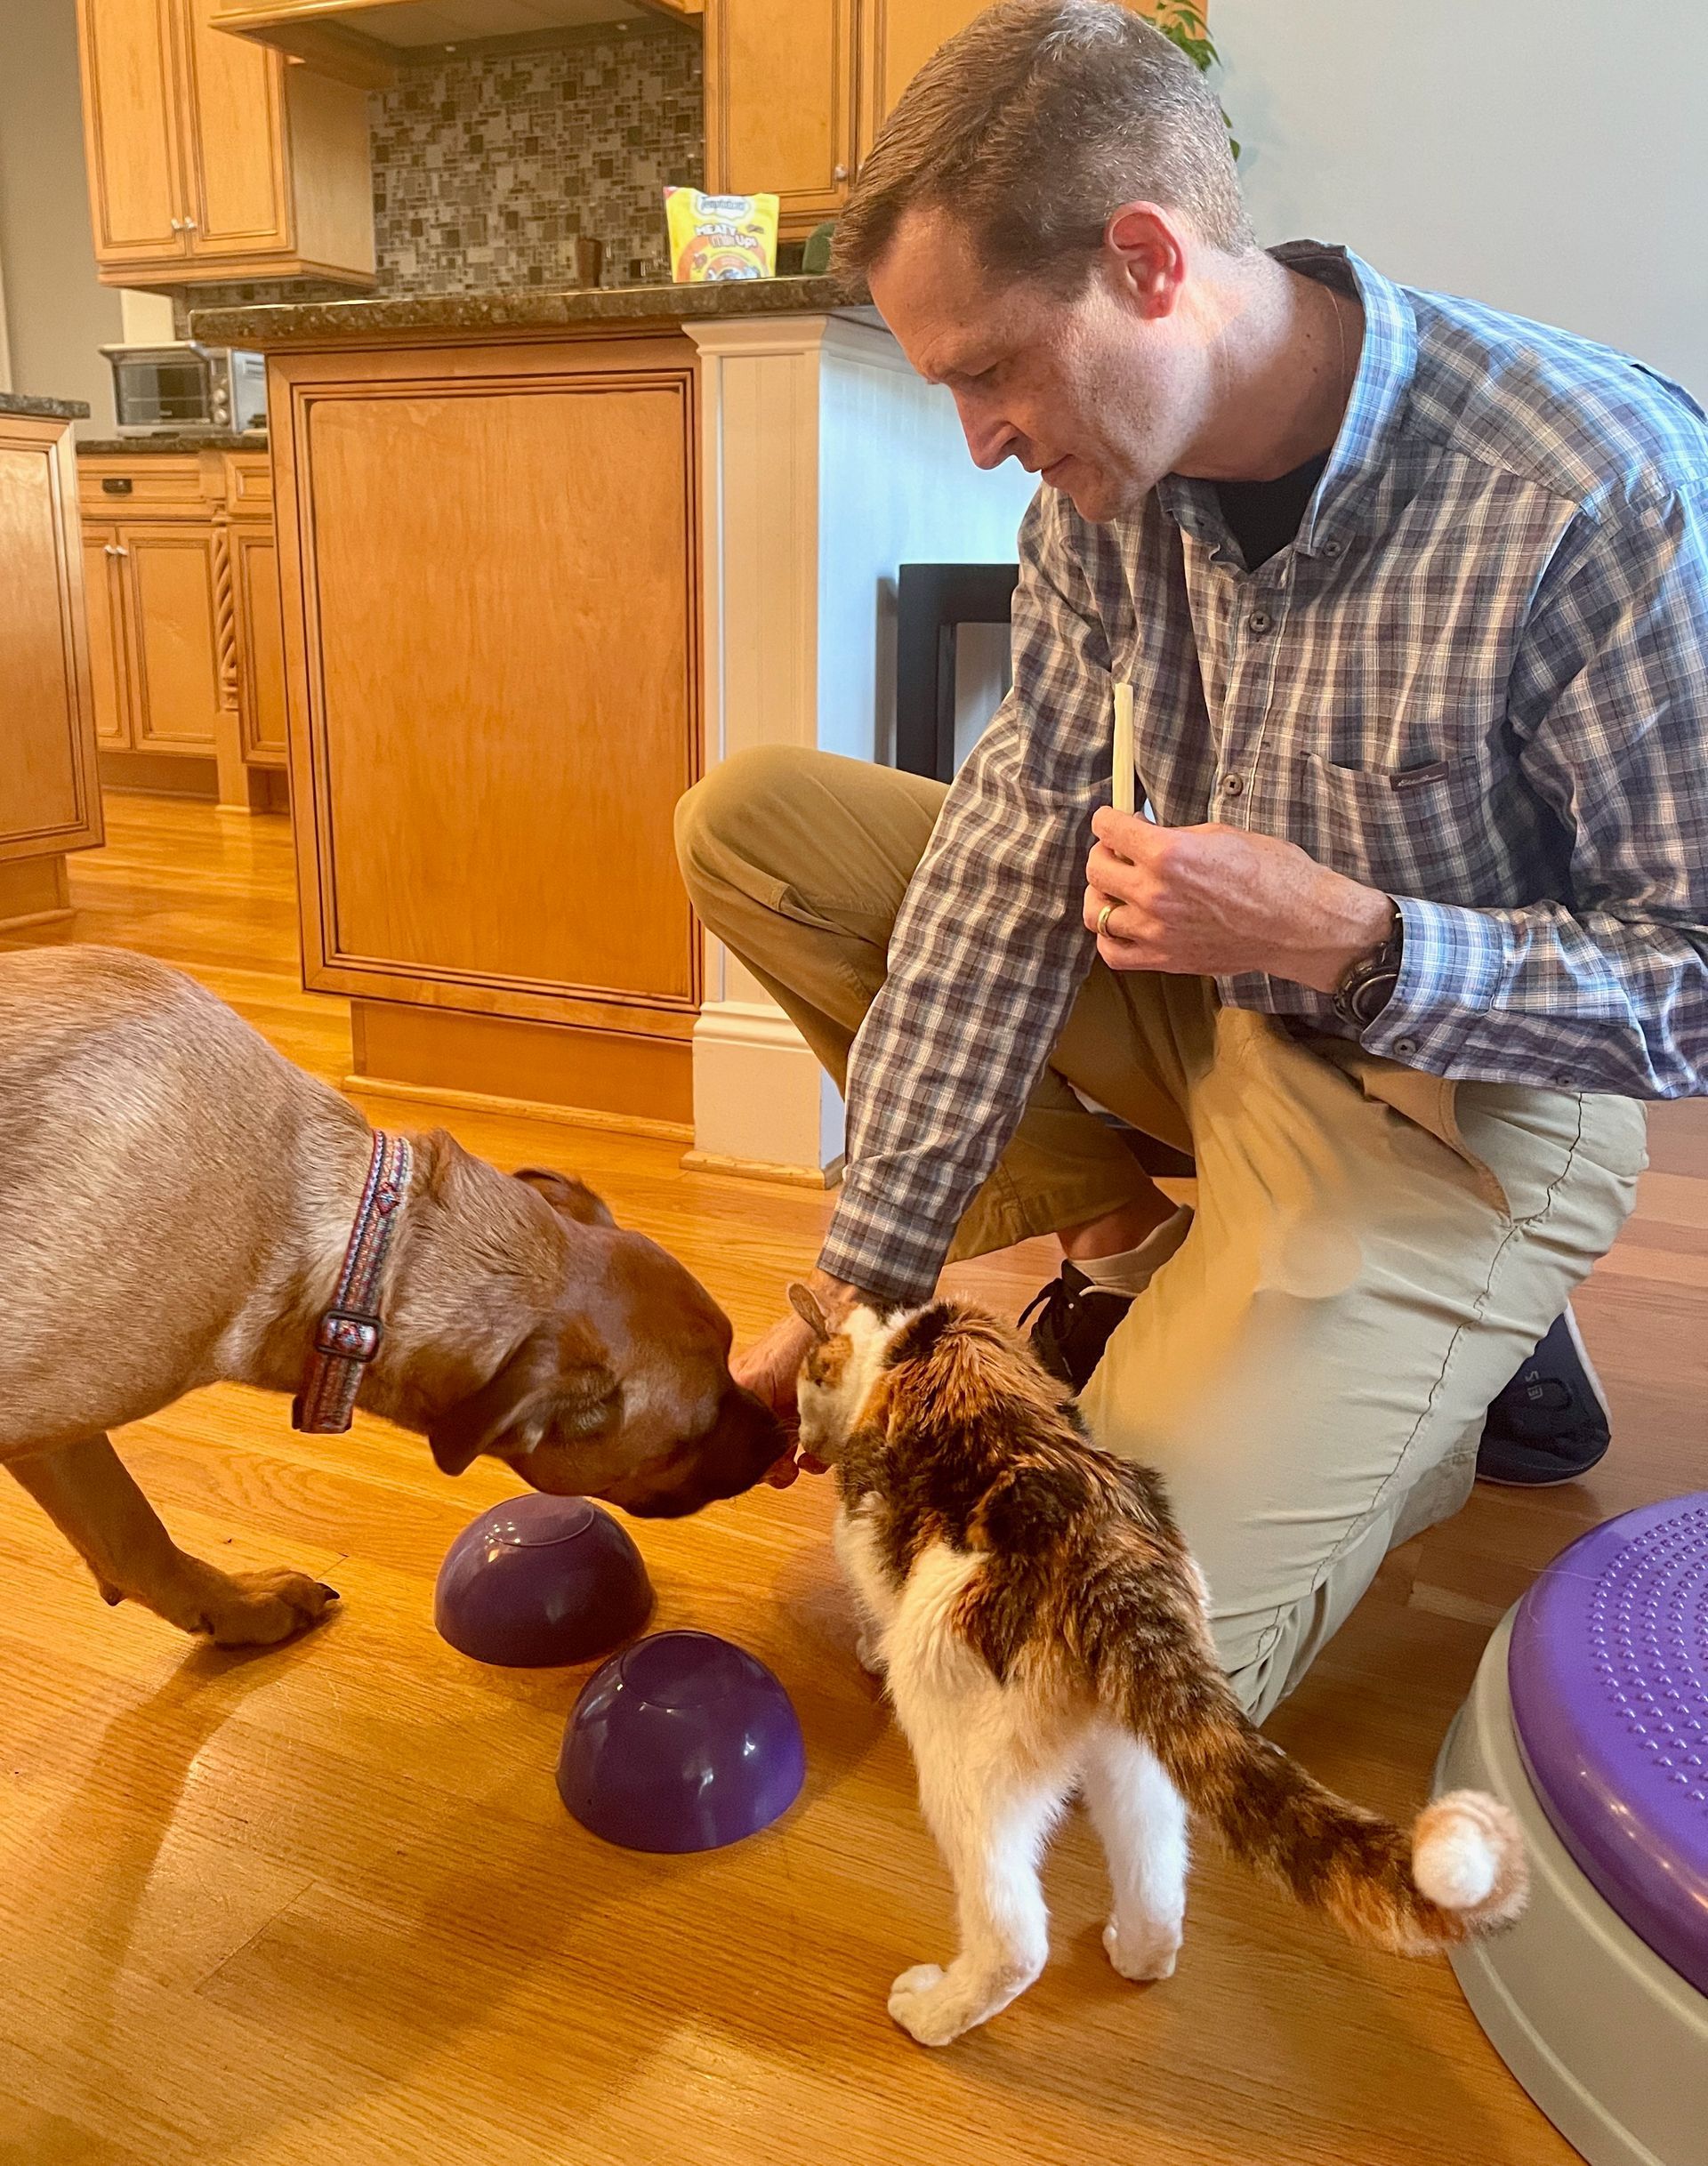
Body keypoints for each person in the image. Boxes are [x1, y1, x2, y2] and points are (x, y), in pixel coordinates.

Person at [673, 0, 1707, 1720]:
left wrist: (1354, 936)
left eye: (991, 370)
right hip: (1212, 1001)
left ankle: (1450, 1361)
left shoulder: (1596, 493)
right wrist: (858, 1287)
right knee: (757, 824)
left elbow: (1695, 983)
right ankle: (1144, 1260)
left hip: (1458, 1095)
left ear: (1148, 262)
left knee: (1082, 1665)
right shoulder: (1099, 501)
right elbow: (1002, 876)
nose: (979, 437)